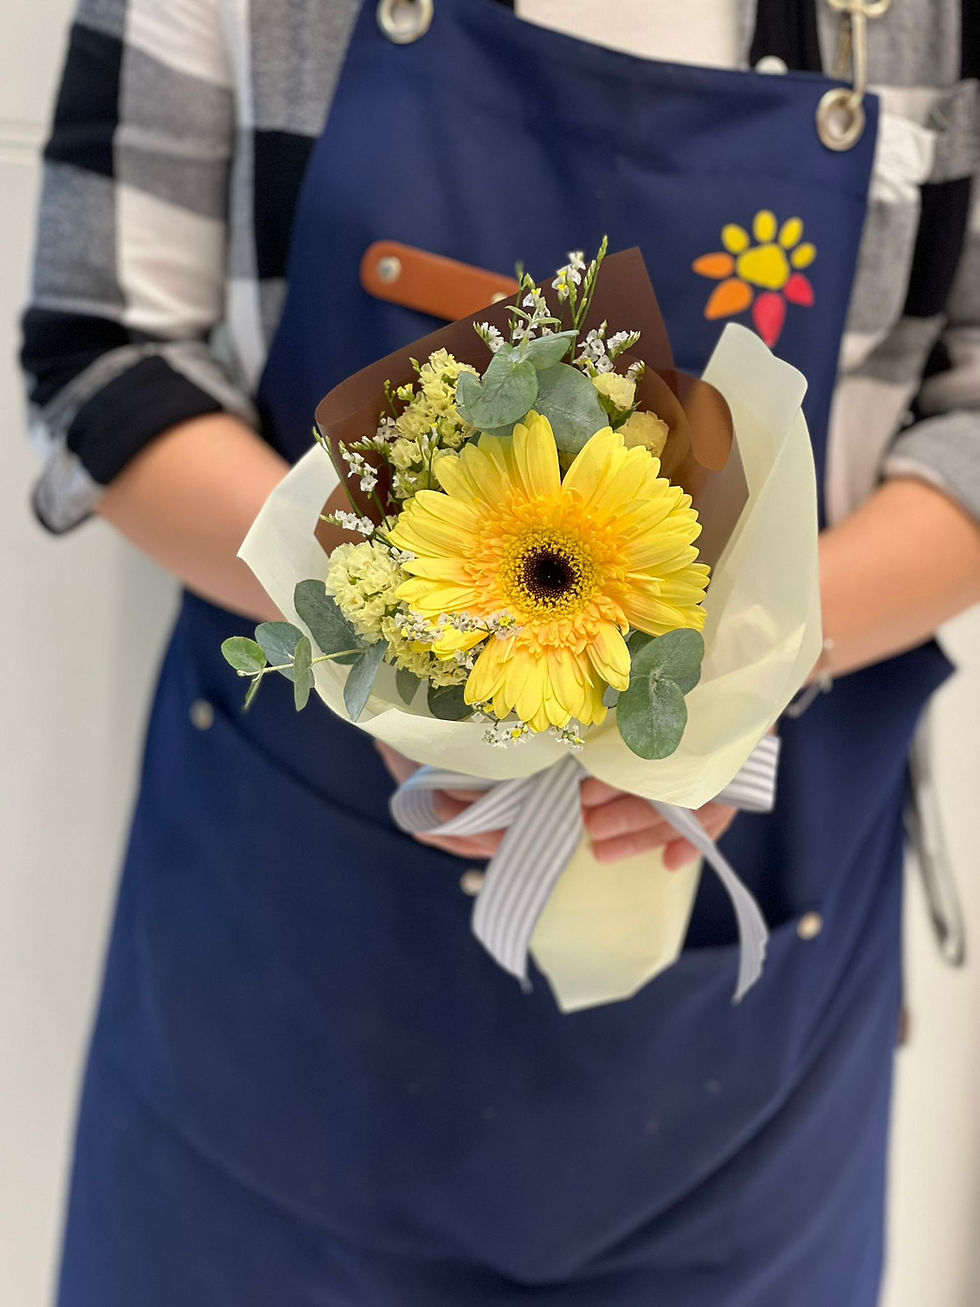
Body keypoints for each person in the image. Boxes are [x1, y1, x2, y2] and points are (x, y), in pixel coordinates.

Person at [20, 0, 980, 1303]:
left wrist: (711, 681)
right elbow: (102, 346)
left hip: (746, 1090)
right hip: (277, 1004)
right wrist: (388, 636)